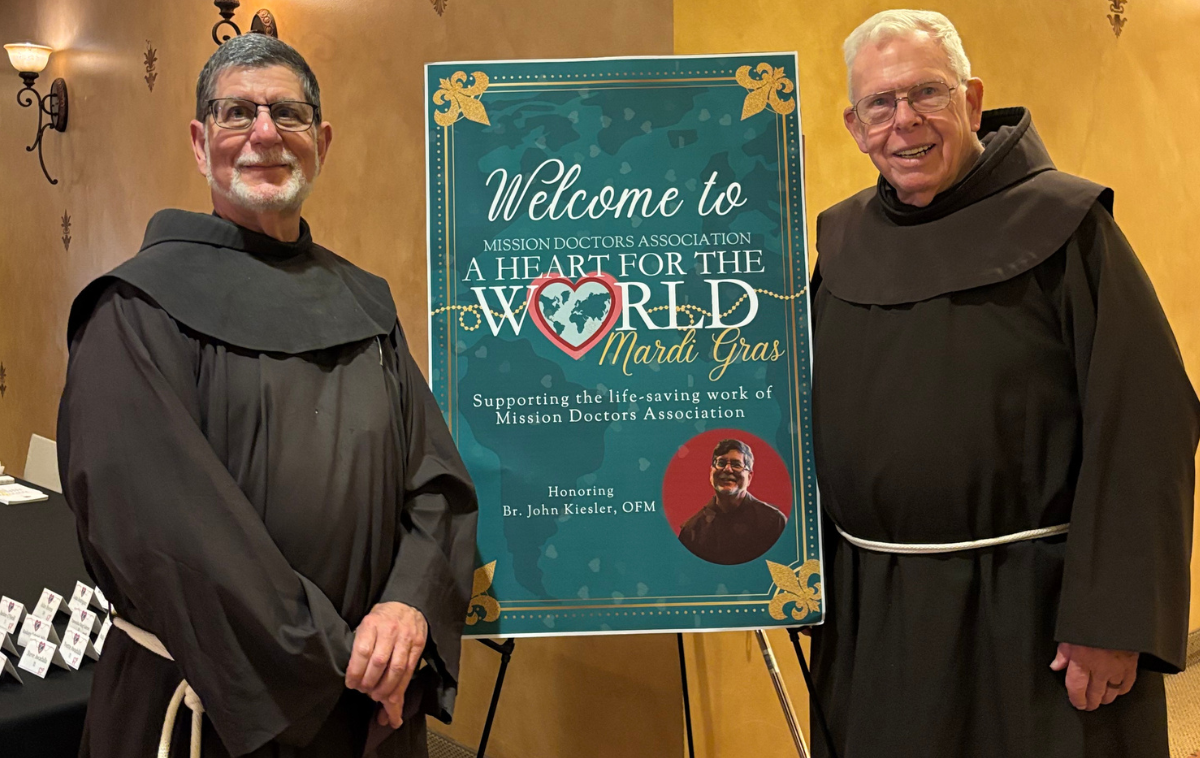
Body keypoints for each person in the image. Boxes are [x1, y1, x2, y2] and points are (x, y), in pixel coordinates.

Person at [57, 34, 478, 758]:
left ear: (322, 140)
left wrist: (409, 605)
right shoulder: (134, 309)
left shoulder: (364, 304)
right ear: (199, 142)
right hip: (216, 711)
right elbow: (171, 537)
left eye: (288, 113)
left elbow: (435, 483)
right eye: (235, 113)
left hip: (371, 703)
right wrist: (338, 658)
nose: (264, 133)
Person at [809, 9, 1199, 758]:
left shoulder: (1066, 226)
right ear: (854, 127)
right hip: (876, 611)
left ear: (973, 99)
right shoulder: (842, 239)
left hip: (1031, 612)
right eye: (879, 105)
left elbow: (1145, 427)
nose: (904, 122)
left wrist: (1112, 621)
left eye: (925, 93)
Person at [678, 439, 787, 564]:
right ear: (711, 472)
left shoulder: (773, 522)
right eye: (721, 463)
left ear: (749, 477)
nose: (727, 469)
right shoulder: (692, 531)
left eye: (736, 464)